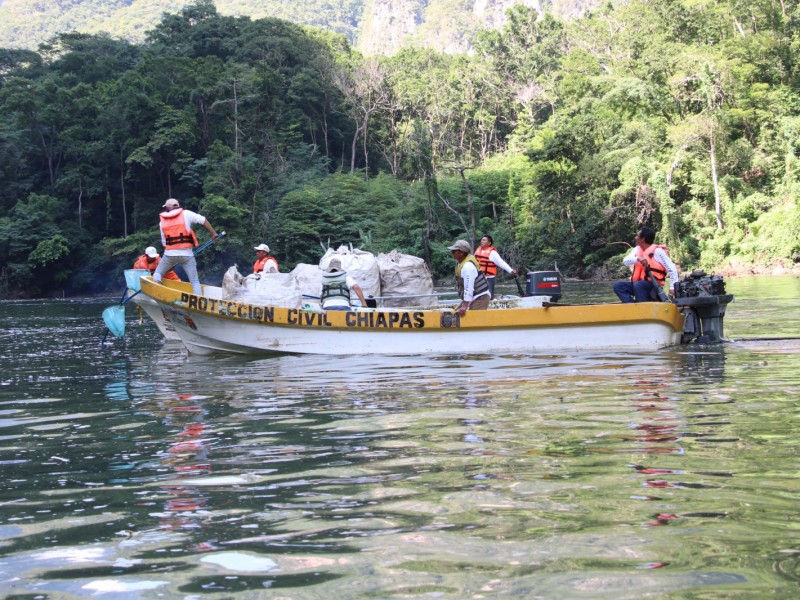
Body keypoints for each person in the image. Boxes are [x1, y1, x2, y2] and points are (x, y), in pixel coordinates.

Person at [153, 198, 218, 296]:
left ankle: (158, 286)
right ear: (177, 206)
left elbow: (164, 244)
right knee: (195, 281)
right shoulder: (186, 214)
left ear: (167, 208)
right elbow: (203, 220)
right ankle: (199, 302)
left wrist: (169, 261)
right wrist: (213, 233)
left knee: (157, 273)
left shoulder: (162, 222)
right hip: (187, 255)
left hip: (170, 255)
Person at [613, 226, 679, 303]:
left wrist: (672, 287)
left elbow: (672, 269)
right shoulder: (637, 249)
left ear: (643, 238)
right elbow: (625, 261)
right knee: (618, 286)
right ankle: (632, 306)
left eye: (637, 235)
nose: (635, 237)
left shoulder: (658, 252)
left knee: (639, 285)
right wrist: (638, 258)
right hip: (638, 285)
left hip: (654, 286)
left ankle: (642, 308)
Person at [448, 239, 491, 316]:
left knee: (476, 321)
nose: (452, 253)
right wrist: (465, 301)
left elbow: (469, 287)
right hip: (474, 297)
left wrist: (465, 306)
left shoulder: (468, 266)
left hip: (480, 298)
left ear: (461, 253)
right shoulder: (460, 262)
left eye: (454, 251)